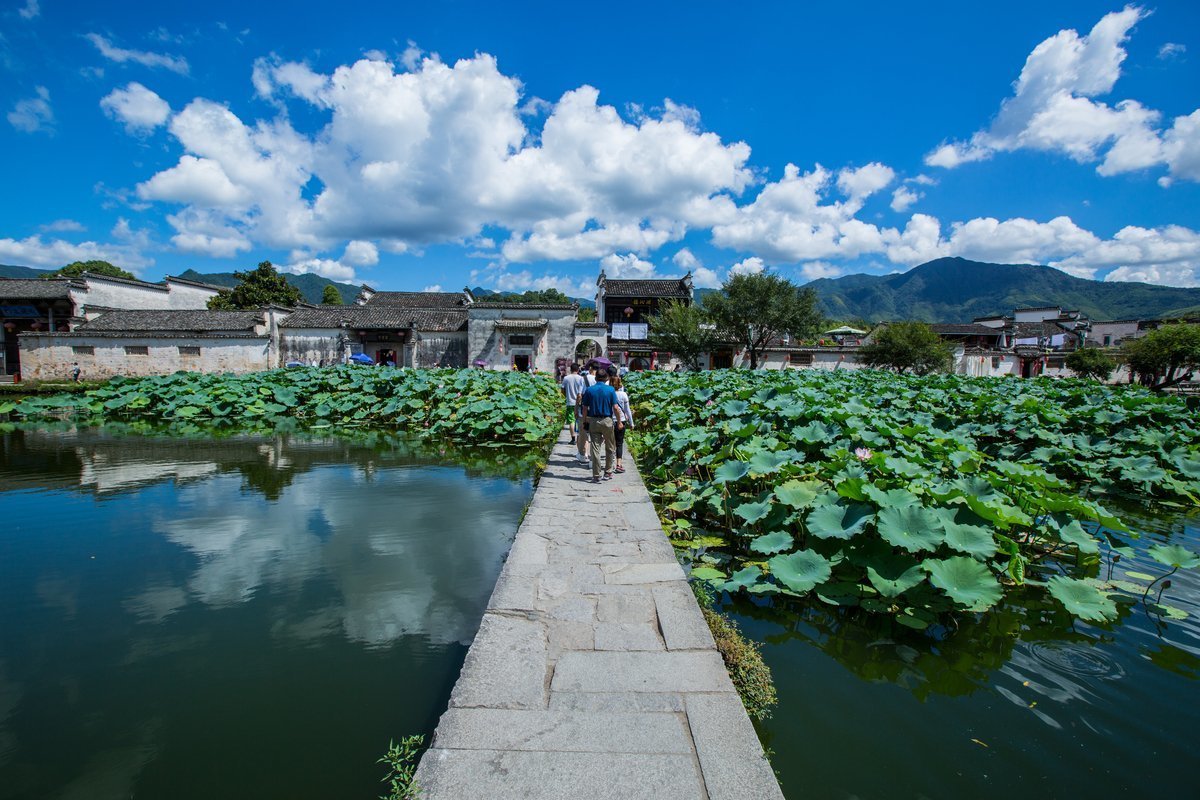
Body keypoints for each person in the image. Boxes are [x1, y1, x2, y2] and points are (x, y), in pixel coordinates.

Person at [580, 369, 621, 483]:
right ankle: (608, 472)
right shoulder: (610, 389)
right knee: (610, 447)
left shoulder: (589, 390)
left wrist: (584, 421)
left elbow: (584, 408)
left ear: (596, 378)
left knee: (595, 448)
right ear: (607, 378)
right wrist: (619, 421)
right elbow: (615, 408)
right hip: (607, 420)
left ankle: (596, 475)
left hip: (594, 420)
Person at [611, 374, 633, 474]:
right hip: (621, 421)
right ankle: (619, 465)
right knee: (619, 443)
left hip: (610, 420)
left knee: (610, 443)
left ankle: (609, 463)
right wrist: (631, 423)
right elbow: (627, 410)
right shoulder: (623, 394)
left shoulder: (608, 394)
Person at [561, 363, 587, 446]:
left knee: (571, 420)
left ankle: (573, 438)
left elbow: (562, 389)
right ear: (578, 370)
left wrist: (566, 395)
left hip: (570, 402)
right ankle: (580, 436)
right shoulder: (581, 378)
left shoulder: (566, 378)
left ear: (570, 369)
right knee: (579, 419)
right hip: (579, 402)